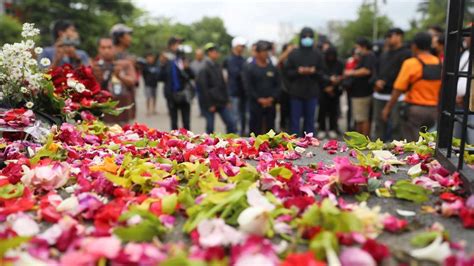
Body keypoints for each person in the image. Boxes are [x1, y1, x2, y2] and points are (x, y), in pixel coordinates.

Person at [382, 32, 442, 141]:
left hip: (415, 112)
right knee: (427, 144)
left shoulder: (411, 63)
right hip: (434, 112)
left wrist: (387, 108)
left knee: (412, 144)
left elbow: (398, 89)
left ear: (414, 46)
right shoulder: (438, 62)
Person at [284, 27, 327, 136]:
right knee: (295, 121)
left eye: (310, 37)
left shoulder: (318, 54)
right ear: (301, 38)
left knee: (310, 121)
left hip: (312, 92)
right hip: (296, 92)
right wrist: (298, 71)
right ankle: (293, 144)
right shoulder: (294, 53)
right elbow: (287, 73)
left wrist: (313, 71)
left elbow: (322, 73)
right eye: (305, 37)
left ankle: (309, 144)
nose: (307, 39)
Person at [372, 28, 411, 141]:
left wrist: (387, 82)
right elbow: (376, 70)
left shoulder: (407, 53)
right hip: (380, 95)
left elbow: (404, 75)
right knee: (379, 126)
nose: (387, 38)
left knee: (396, 127)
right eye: (387, 36)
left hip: (397, 96)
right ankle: (376, 151)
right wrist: (376, 81)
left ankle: (397, 153)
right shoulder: (384, 53)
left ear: (399, 36)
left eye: (390, 35)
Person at [91, 37, 137, 125]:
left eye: (109, 47)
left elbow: (132, 81)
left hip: (124, 113)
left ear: (115, 48)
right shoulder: (94, 67)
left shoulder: (125, 64)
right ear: (99, 49)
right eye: (103, 48)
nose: (106, 51)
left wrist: (120, 76)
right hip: (102, 116)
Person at [197, 43, 236, 134]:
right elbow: (203, 88)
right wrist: (210, 104)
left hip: (221, 101)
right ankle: (209, 147)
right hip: (210, 103)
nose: (216, 54)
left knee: (231, 123)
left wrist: (227, 100)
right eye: (214, 52)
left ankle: (229, 144)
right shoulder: (204, 68)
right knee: (210, 128)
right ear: (209, 53)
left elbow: (223, 84)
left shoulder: (218, 66)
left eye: (217, 52)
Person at [244, 41, 281, 135]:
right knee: (255, 130)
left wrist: (272, 98)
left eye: (267, 51)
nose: (265, 53)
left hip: (270, 104)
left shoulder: (273, 68)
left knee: (270, 131)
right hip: (255, 105)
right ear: (257, 53)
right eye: (263, 51)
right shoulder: (249, 68)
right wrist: (259, 99)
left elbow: (278, 85)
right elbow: (248, 87)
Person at [159, 36, 194, 130]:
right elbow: (159, 78)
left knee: (186, 123)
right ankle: (174, 143)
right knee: (174, 123)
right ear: (171, 46)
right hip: (171, 95)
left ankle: (188, 143)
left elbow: (192, 76)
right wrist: (162, 64)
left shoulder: (183, 58)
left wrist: (187, 68)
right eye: (177, 44)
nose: (179, 46)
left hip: (184, 95)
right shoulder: (166, 60)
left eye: (180, 44)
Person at [344, 37, 376, 136]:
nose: (356, 49)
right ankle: (361, 138)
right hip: (359, 92)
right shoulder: (365, 56)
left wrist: (350, 72)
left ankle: (363, 140)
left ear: (363, 47)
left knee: (363, 118)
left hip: (363, 93)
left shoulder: (369, 56)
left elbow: (366, 70)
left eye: (357, 47)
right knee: (359, 118)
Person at [110, 24, 137, 121]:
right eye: (128, 35)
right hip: (114, 104)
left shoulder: (126, 55)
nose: (130, 38)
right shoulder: (111, 55)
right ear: (120, 37)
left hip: (126, 101)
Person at [223, 36, 247, 135]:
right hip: (233, 92)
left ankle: (242, 134)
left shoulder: (243, 59)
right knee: (234, 116)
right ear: (235, 46)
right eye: (241, 46)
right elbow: (232, 74)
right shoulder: (229, 60)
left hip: (243, 92)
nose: (242, 48)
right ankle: (233, 137)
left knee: (243, 116)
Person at [318, 47, 344, 139]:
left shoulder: (339, 63)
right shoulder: (322, 63)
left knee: (334, 111)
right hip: (323, 91)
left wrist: (333, 87)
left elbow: (342, 76)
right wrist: (326, 87)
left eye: (333, 55)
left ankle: (333, 128)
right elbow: (319, 76)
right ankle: (322, 129)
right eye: (329, 55)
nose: (331, 57)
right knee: (322, 111)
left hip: (335, 91)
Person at [455, 29, 473, 142]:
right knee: (457, 137)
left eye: (469, 36)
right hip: (459, 101)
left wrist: (464, 94)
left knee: (472, 134)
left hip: (470, 100)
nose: (465, 38)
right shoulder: (466, 52)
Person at [277, 43, 296, 132]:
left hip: (295, 90)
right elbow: (278, 61)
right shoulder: (283, 61)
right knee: (283, 111)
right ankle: (283, 128)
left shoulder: (295, 60)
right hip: (284, 90)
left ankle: (292, 129)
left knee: (293, 112)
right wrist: (288, 51)